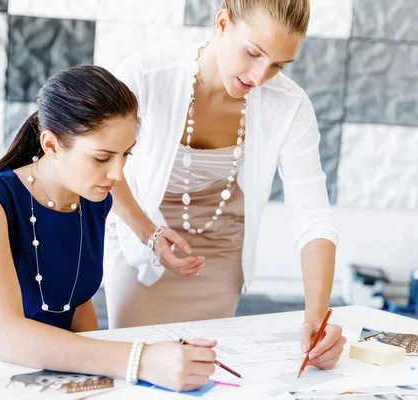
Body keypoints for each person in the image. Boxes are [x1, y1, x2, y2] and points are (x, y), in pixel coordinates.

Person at [105, 0, 346, 370]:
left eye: (278, 64)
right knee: (138, 367)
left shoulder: (289, 104)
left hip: (220, 251)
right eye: (253, 53)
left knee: (206, 370)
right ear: (222, 23)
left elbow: (312, 215)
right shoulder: (147, 74)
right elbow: (105, 167)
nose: (260, 76)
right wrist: (150, 234)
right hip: (140, 235)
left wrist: (316, 316)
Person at [0, 65, 217, 392]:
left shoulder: (92, 197)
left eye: (126, 154)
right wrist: (142, 359)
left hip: (62, 378)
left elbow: (80, 304)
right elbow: (7, 337)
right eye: (102, 158)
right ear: (51, 145)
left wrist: (105, 386)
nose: (118, 173)